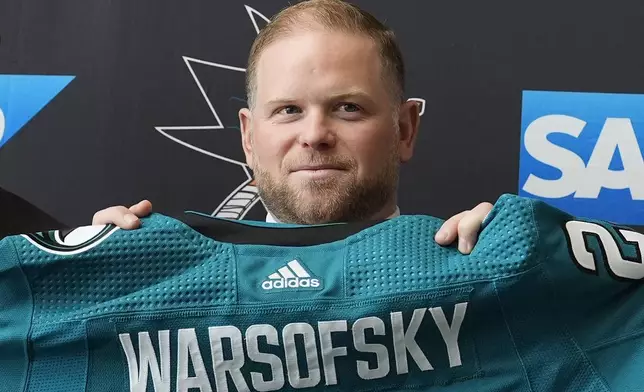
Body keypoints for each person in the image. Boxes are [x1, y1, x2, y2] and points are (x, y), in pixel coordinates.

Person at [92, 0, 493, 254]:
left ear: (404, 130)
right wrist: (93, 271)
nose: (315, 134)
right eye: (288, 110)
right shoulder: (151, 273)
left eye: (348, 107)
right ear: (248, 137)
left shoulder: (477, 276)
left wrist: (509, 272)